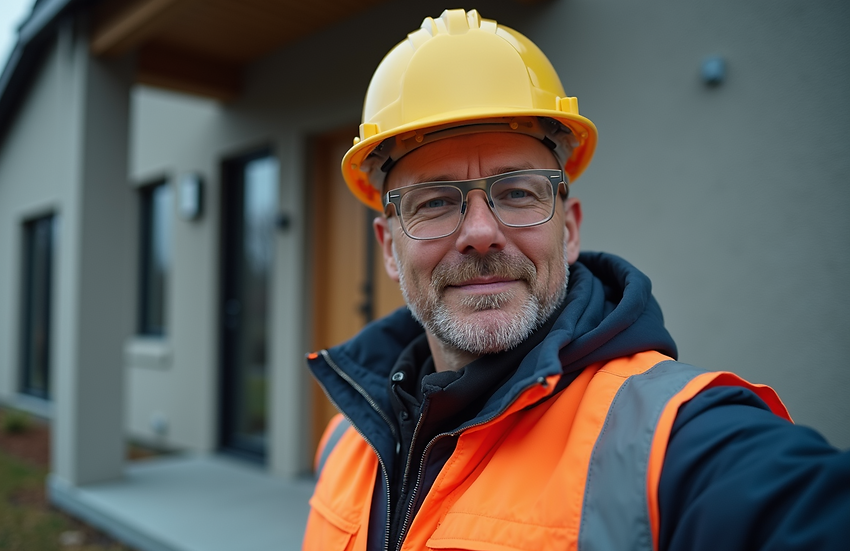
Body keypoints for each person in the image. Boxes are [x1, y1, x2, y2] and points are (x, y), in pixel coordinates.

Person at [302, 8, 849, 551]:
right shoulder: (346, 443)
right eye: (435, 202)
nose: (481, 232)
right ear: (388, 249)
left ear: (569, 229)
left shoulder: (669, 443)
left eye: (517, 192)